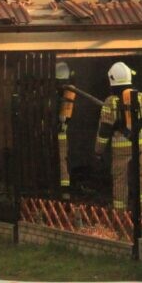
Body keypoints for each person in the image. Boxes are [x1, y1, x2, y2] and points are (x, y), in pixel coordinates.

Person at [95, 62, 142, 214]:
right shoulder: (141, 98)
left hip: (120, 150)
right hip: (141, 146)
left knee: (120, 182)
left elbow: (104, 131)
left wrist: (98, 151)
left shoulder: (109, 102)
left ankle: (121, 216)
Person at [56, 61, 76, 198]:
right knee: (62, 161)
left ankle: (64, 192)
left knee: (62, 161)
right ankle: (64, 191)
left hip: (60, 133)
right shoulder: (69, 91)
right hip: (62, 132)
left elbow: (64, 117)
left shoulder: (68, 92)